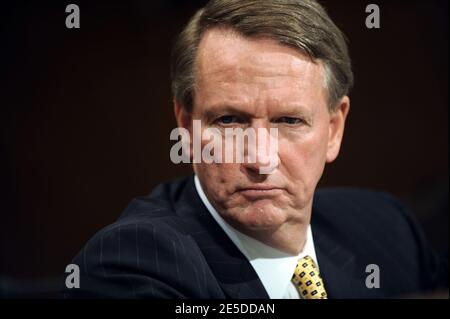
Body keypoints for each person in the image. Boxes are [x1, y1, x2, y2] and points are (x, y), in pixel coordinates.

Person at [65, 0, 445, 298]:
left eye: (289, 121)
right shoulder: (131, 265)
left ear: (334, 129)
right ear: (186, 126)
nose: (260, 159)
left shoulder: (388, 228)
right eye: (230, 121)